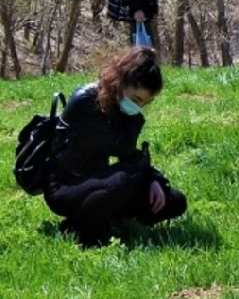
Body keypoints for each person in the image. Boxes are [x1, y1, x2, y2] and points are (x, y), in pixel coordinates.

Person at [43, 48, 187, 247]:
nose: (138, 108)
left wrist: (154, 180)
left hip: (101, 181)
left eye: (144, 103)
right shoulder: (85, 101)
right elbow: (124, 151)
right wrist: (144, 170)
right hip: (66, 187)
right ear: (120, 82)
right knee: (124, 179)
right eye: (136, 100)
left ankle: (110, 219)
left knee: (174, 200)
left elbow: (131, 159)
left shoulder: (123, 109)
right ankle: (81, 231)